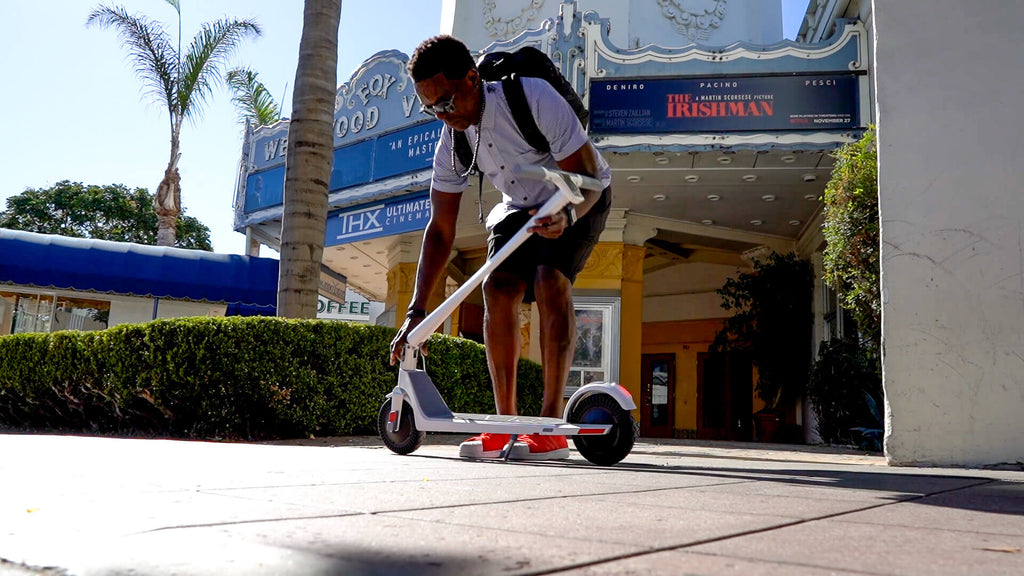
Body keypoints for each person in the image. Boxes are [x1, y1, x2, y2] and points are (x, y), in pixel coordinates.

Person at [389, 35, 612, 461]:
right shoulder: (452, 142)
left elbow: (586, 177)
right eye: (430, 108)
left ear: (472, 79)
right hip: (520, 204)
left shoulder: (530, 96)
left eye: (447, 103)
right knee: (497, 288)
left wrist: (566, 217)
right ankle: (503, 426)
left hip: (579, 191)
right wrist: (417, 310)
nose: (441, 115)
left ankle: (548, 429)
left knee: (550, 279)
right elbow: (440, 230)